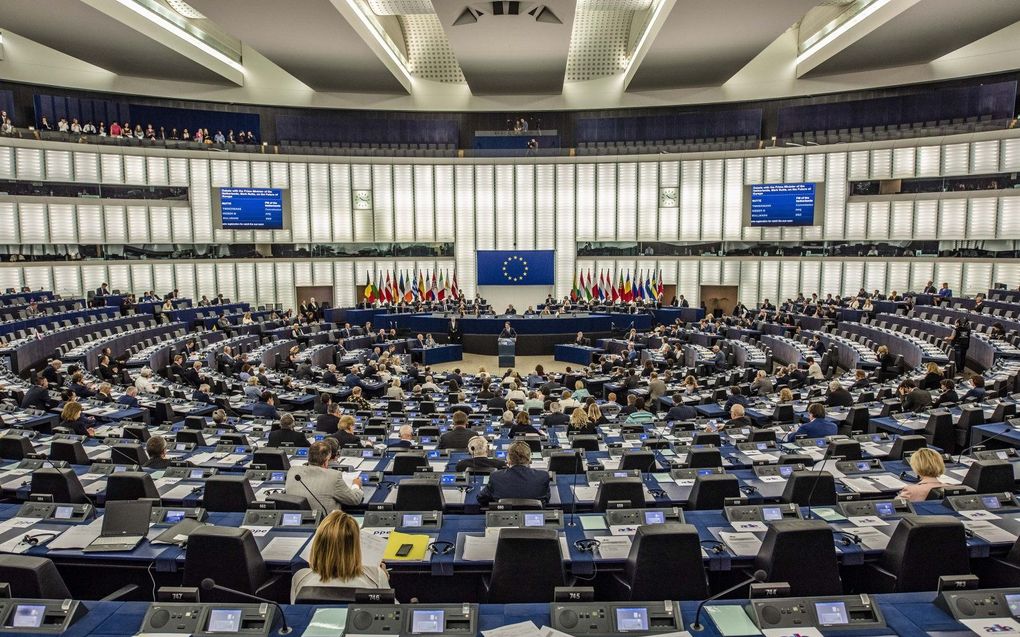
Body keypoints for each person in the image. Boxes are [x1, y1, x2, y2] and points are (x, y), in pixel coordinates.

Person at [290, 510, 388, 603]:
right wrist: (384, 578)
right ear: (355, 548)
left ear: (317, 545)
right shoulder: (376, 576)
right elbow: (392, 610)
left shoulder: (300, 578)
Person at [286, 442, 364, 516]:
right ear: (327, 460)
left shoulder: (292, 471)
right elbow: (354, 499)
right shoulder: (334, 476)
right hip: (327, 525)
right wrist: (356, 485)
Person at [476, 441, 551, 506]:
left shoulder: (496, 476)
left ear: (508, 458)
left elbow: (481, 498)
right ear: (529, 458)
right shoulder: (543, 476)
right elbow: (546, 499)